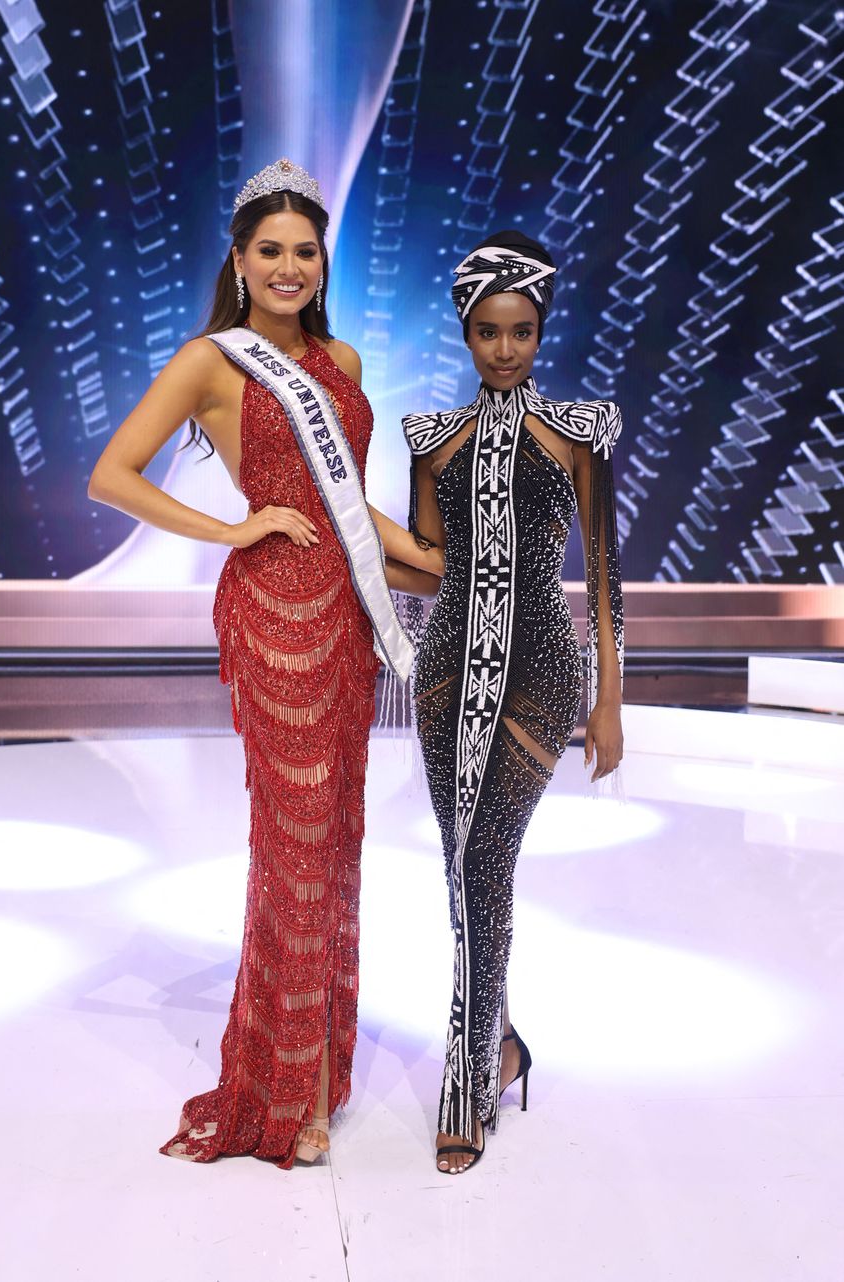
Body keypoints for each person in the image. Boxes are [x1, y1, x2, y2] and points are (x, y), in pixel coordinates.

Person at [88, 159, 440, 1168]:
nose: (289, 266)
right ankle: (289, 1096)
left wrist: (437, 561)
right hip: (273, 617)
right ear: (241, 262)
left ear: (323, 261)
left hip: (348, 618)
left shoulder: (346, 362)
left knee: (332, 844)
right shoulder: (212, 361)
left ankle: (316, 1066)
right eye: (270, 251)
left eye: (305, 251)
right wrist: (233, 530)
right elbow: (111, 474)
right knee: (293, 844)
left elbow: (351, 507)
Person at [403, 232, 625, 1174]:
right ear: (464, 333)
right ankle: (496, 1043)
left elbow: (606, 576)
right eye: (488, 333)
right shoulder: (430, 439)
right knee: (461, 867)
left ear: (542, 331)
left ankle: (465, 1079)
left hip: (540, 666)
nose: (504, 349)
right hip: (446, 670)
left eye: (521, 331)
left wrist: (611, 696)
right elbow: (427, 563)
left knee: (487, 858)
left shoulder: (580, 434)